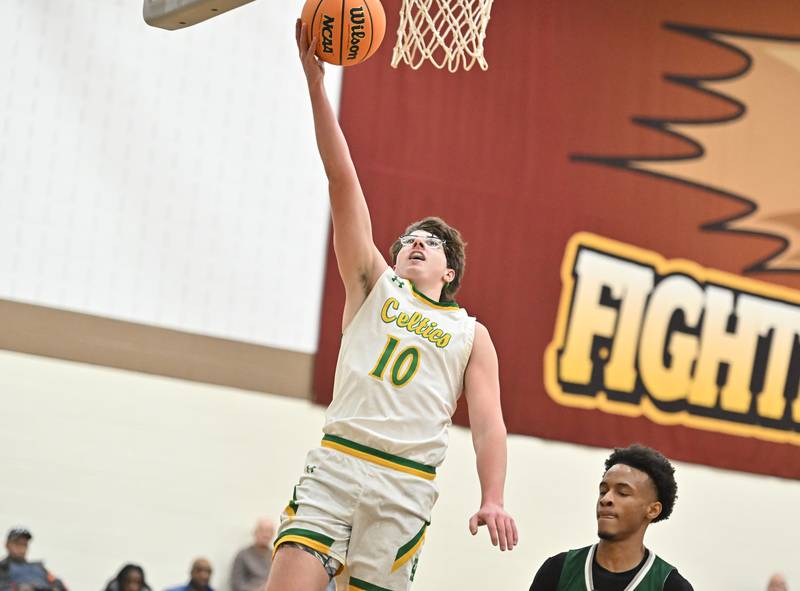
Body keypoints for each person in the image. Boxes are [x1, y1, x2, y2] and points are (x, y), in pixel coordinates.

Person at [265, 21, 518, 591]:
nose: (414, 243)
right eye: (408, 239)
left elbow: (488, 425)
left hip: (405, 483)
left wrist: (494, 497)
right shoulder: (372, 283)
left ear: (449, 272)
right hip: (338, 462)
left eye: (431, 242)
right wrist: (315, 83)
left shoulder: (471, 335)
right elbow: (342, 180)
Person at [530, 444, 693, 591]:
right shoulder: (558, 570)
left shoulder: (671, 586)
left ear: (653, 510)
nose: (606, 499)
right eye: (603, 491)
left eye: (622, 493)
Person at [0, 527, 67, 591]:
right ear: (7, 545)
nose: (21, 548)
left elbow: (58, 584)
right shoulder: (3, 568)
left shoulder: (39, 567)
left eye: (24, 544)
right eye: (17, 544)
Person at [231, 519, 274, 591]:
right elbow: (236, 584)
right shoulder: (243, 555)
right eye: (262, 530)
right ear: (255, 532)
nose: (266, 535)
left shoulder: (275, 556)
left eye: (269, 531)